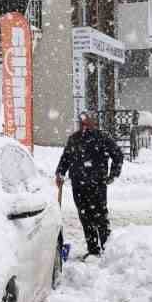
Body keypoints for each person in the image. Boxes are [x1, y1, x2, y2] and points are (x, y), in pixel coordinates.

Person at [56, 110, 123, 258]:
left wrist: (113, 174)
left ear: (94, 123)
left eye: (87, 123)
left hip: (97, 184)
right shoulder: (74, 139)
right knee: (85, 217)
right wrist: (60, 172)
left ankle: (107, 248)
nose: (84, 126)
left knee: (100, 217)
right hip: (78, 185)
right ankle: (93, 249)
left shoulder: (103, 138)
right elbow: (66, 158)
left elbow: (118, 155)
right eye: (82, 123)